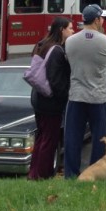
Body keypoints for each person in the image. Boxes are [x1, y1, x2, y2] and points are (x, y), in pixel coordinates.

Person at [63, 4, 106, 179]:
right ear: (96, 20)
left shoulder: (70, 41)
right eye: (102, 18)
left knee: (73, 138)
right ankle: (95, 174)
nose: (103, 21)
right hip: (99, 97)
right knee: (99, 139)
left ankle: (71, 175)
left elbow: (68, 62)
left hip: (76, 95)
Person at [28, 17, 73, 180]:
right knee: (49, 140)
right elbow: (55, 80)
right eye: (70, 28)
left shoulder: (42, 44)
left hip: (38, 98)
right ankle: (42, 174)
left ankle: (34, 173)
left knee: (41, 137)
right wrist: (65, 96)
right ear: (61, 29)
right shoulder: (56, 50)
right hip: (50, 102)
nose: (73, 31)